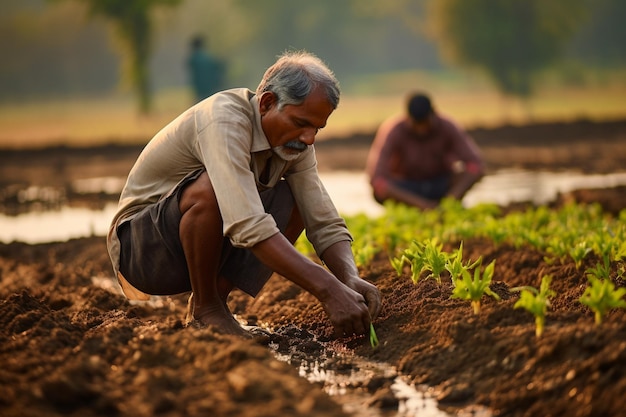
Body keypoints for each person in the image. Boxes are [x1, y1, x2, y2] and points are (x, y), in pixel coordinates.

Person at [107, 50, 381, 339]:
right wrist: (328, 289)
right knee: (209, 189)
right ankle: (206, 307)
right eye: (301, 123)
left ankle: (213, 305)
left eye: (317, 128)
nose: (309, 138)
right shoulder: (224, 121)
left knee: (295, 200)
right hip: (143, 250)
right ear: (267, 103)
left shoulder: (295, 145)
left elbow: (322, 219)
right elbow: (246, 223)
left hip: (191, 246)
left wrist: (348, 278)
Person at [366, 92, 484, 210]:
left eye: (425, 123)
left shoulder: (447, 127)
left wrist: (450, 200)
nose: (421, 130)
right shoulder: (394, 130)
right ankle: (420, 206)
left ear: (433, 113)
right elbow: (377, 177)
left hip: (440, 184)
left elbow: (475, 165)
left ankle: (446, 205)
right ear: (408, 117)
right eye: (417, 124)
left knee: (470, 173)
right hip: (407, 188)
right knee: (381, 189)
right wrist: (422, 205)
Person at [187, 35, 225, 102]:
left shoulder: (194, 59)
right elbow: (219, 68)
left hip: (200, 89)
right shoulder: (209, 57)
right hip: (212, 88)